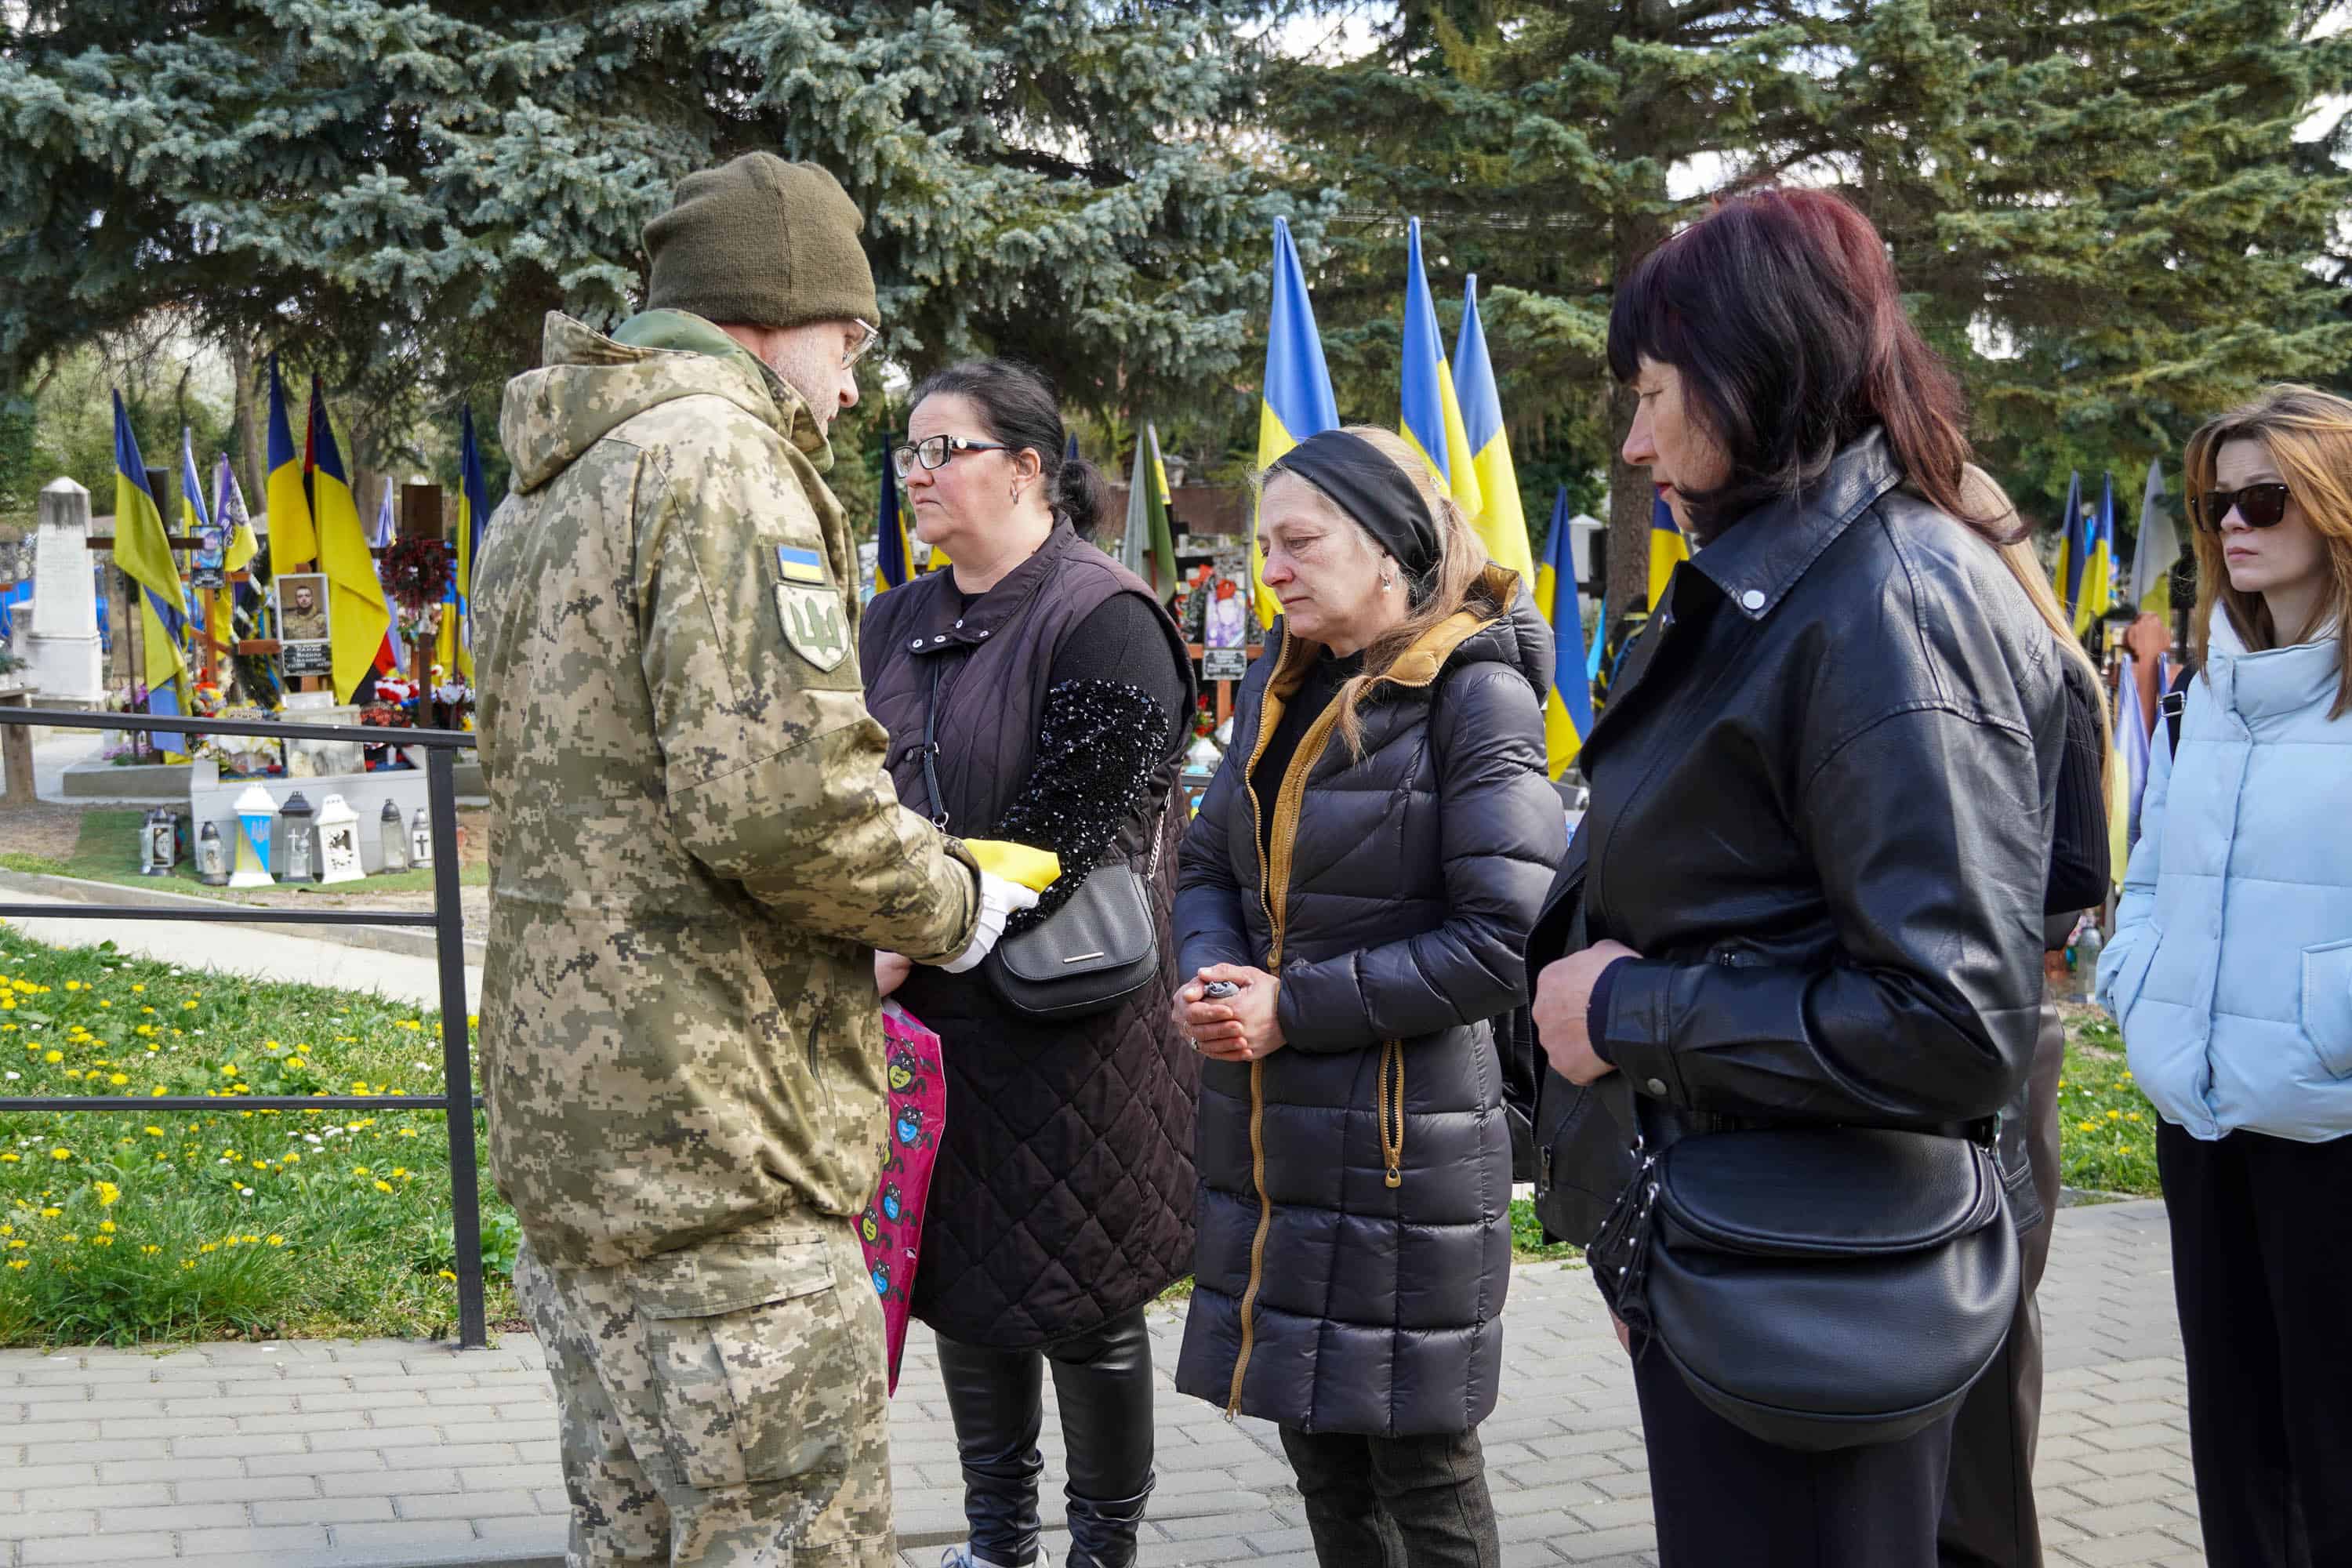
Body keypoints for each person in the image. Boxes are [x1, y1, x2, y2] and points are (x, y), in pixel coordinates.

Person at [472, 153, 1037, 1568]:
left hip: (582, 1128)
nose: (851, 390)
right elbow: (781, 803)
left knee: (635, 1537)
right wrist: (955, 902)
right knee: (791, 1539)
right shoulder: (722, 462)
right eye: (851, 343)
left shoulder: (551, 482)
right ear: (775, 314)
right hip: (723, 1134)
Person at [1523, 186, 2063, 1566]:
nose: (1636, 442)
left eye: (1654, 396)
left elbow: (1956, 1021)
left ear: (1754, 373)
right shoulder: (1806, 581)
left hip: (1826, 1288)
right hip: (1757, 1250)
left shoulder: (1890, 604)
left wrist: (1628, 1010)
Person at [1172, 424, 1564, 1568]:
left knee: (1421, 1470)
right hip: (1276, 1139)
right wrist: (1217, 976)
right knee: (1321, 1454)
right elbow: (1205, 865)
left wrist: (1290, 1007)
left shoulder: (1474, 693)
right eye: (1265, 547)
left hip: (1405, 1150)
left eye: (1299, 543)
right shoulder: (1283, 682)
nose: (1272, 571)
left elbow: (1502, 942)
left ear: (1392, 547)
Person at [858, 360, 1200, 1568]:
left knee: (1083, 1302)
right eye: (909, 449)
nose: (918, 472)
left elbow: (1077, 828)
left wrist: (908, 930)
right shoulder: (891, 619)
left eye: (943, 448)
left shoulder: (1106, 616)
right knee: (967, 1291)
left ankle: (1102, 1550)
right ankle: (996, 1542)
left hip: (1068, 1025)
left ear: (1026, 468)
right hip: (932, 1018)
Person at [2097, 384, 2352, 1568]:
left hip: (2330, 1127)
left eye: (2266, 497)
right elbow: (2151, 873)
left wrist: (2327, 1026)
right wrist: (2138, 986)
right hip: (2200, 1121)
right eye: (2218, 502)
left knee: (2335, 1462)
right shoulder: (2212, 691)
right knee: (2237, 1462)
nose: (2234, 523)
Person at [1939, 477, 2114, 1568]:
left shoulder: (2041, 666)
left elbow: (2074, 882)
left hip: (1995, 1030)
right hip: (1961, 1027)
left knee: (1990, 1328)